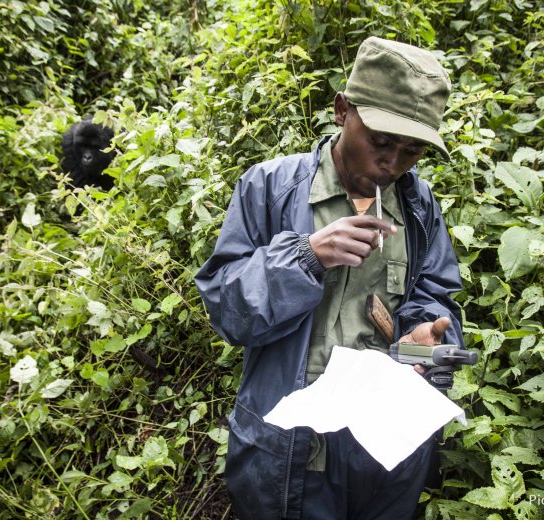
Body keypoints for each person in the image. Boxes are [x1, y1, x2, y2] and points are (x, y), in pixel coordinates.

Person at [195, 36, 464, 520]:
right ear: (342, 110)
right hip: (291, 452)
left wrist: (426, 345)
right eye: (380, 142)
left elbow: (437, 303)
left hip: (386, 454)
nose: (393, 163)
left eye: (413, 150)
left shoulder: (419, 207)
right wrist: (306, 256)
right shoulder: (270, 188)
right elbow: (226, 311)